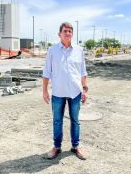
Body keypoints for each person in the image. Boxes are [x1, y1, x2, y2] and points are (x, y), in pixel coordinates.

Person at [42, 22, 88, 160]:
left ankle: (76, 146)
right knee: (57, 121)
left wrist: (85, 90)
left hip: (75, 92)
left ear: (72, 34)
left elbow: (83, 72)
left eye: (70, 31)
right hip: (58, 93)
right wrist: (44, 91)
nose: (68, 33)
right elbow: (46, 72)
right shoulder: (52, 50)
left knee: (75, 120)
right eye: (65, 31)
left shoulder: (79, 50)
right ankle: (56, 146)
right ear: (59, 34)